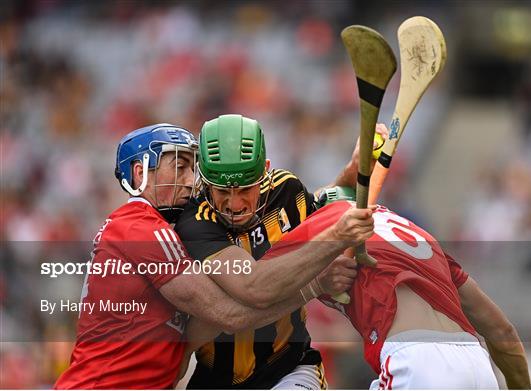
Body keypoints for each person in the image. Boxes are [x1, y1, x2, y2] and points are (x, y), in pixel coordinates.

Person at [55, 124, 373, 389]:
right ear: (140, 174)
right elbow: (229, 314)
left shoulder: (165, 229)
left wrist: (345, 180)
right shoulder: (143, 231)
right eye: (179, 167)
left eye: (192, 167)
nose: (189, 179)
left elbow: (300, 213)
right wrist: (314, 284)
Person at [175, 114, 383, 389]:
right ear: (204, 181)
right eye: (222, 190)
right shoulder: (195, 224)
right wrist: (324, 267)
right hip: (216, 380)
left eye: (245, 188)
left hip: (290, 368)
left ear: (266, 172)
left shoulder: (286, 190)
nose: (234, 204)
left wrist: (354, 168)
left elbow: (326, 205)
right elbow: (254, 287)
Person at [262, 186, 531, 389]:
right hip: (478, 366)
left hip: (416, 364)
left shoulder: (323, 223)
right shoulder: (423, 238)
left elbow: (254, 283)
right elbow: (501, 330)